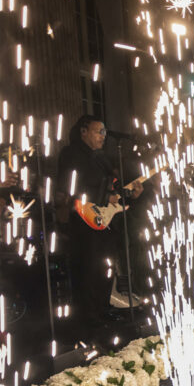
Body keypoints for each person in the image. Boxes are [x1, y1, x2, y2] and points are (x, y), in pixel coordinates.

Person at [55, 114, 143, 344]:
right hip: (83, 223)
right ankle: (88, 320)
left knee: (104, 268)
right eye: (98, 131)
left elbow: (114, 189)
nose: (103, 136)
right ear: (83, 131)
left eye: (105, 132)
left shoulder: (102, 159)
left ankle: (102, 311)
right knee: (88, 269)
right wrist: (105, 195)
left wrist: (129, 193)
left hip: (104, 223)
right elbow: (71, 186)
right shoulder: (71, 154)